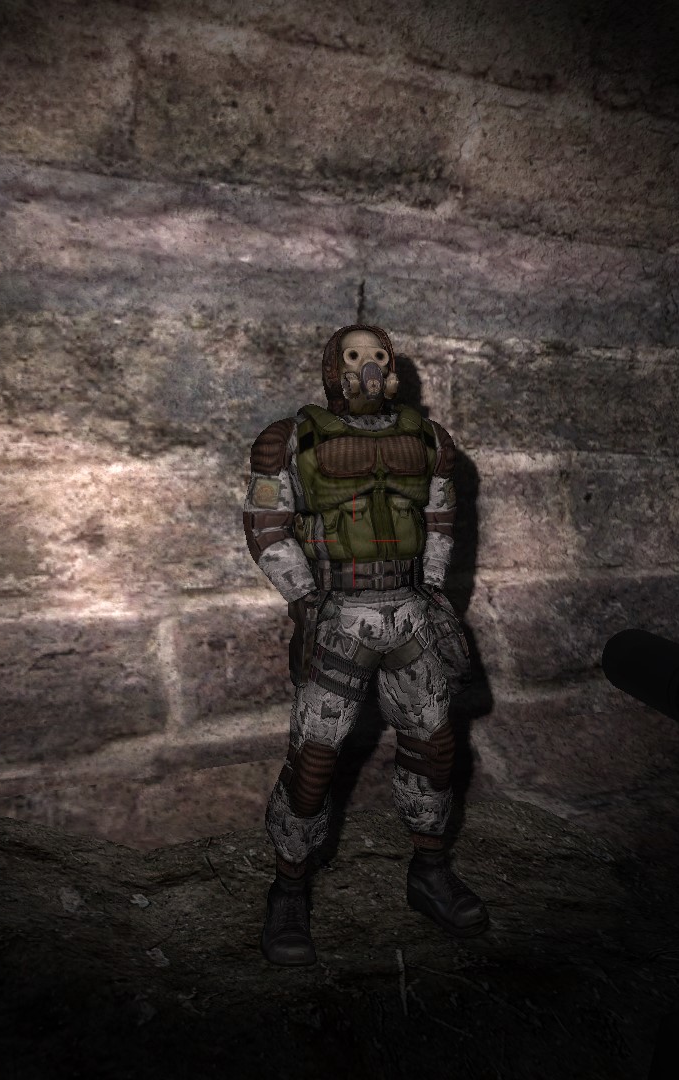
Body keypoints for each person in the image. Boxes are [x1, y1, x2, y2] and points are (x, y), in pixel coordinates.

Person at [240, 323, 487, 966]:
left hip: (410, 611)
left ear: (392, 367)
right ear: (334, 367)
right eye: (354, 356)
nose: (368, 367)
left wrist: (433, 589)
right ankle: (288, 890)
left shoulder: (429, 439)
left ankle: (429, 873)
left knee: (435, 750)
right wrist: (303, 598)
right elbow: (267, 524)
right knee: (314, 762)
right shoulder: (291, 438)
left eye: (378, 356)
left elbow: (440, 517)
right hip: (339, 614)